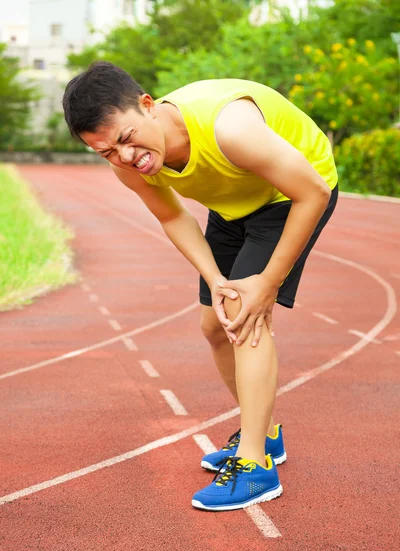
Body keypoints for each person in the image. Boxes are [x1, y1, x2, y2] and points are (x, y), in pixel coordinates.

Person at [62, 61, 338, 512]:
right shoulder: (126, 162)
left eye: (127, 139)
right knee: (214, 326)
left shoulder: (230, 129)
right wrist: (216, 280)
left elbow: (313, 192)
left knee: (245, 317)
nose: (125, 158)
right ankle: (265, 435)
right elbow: (173, 216)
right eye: (106, 152)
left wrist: (266, 284)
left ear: (147, 106)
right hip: (231, 207)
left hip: (291, 192)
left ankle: (255, 467)